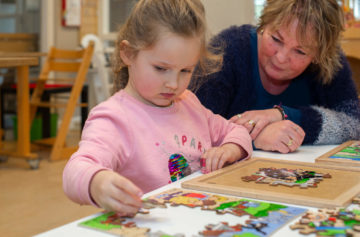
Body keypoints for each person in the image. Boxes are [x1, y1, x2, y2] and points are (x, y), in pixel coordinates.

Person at [63, 0, 252, 216]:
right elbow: (76, 168)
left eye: (185, 71)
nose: (173, 83)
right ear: (128, 53)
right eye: (161, 68)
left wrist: (230, 149)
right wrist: (96, 181)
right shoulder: (113, 118)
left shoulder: (189, 103)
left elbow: (237, 131)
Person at [194, 0, 360, 154]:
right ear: (263, 23)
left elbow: (355, 123)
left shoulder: (329, 61)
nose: (281, 58)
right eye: (276, 39)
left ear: (318, 55)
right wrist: (251, 140)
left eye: (300, 51)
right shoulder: (227, 49)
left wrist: (282, 114)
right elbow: (191, 133)